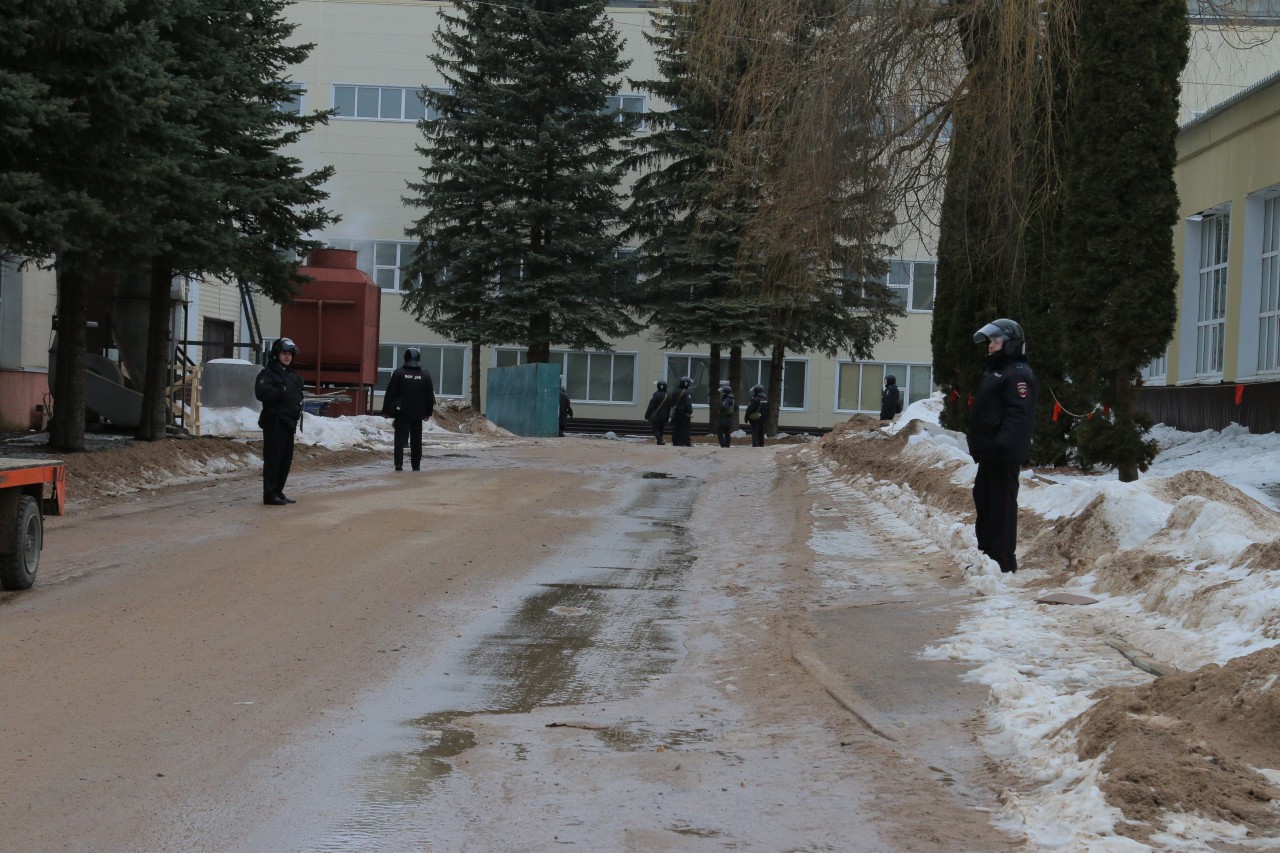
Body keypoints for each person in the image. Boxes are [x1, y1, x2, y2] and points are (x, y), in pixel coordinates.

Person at [968, 318, 1037, 574]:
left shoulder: (1017, 374)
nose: (991, 346)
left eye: (996, 341)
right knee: (985, 501)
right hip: (989, 455)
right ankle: (988, 555)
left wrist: (1000, 446)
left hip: (1002, 455)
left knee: (1002, 505)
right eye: (990, 341)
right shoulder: (999, 371)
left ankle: (1003, 561)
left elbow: (1017, 415)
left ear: (1010, 343)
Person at [255, 337, 305, 506]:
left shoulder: (291, 374)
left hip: (288, 423)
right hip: (274, 423)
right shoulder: (268, 374)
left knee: (285, 460)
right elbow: (262, 393)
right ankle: (269, 494)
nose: (287, 357)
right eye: (284, 353)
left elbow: (296, 393)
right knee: (273, 460)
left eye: (290, 354)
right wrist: (280, 391)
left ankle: (278, 491)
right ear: (276, 354)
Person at [382, 346, 436, 471]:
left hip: (401, 412)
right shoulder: (425, 375)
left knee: (400, 439)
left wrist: (386, 410)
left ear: (405, 358)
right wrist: (428, 412)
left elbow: (390, 393)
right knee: (416, 440)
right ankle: (416, 465)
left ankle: (398, 464)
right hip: (418, 413)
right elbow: (429, 396)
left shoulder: (399, 373)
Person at [644, 379, 673, 445]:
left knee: (655, 429)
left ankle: (660, 440)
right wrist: (667, 416)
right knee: (661, 428)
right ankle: (659, 441)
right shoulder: (668, 395)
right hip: (665, 414)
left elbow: (651, 406)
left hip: (656, 415)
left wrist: (647, 414)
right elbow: (669, 407)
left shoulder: (656, 394)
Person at [670, 376, 694, 447]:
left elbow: (671, 402)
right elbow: (688, 404)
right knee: (685, 428)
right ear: (687, 384)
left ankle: (676, 442)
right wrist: (690, 411)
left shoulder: (674, 391)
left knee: (676, 428)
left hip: (676, 413)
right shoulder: (687, 392)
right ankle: (686, 442)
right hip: (684, 414)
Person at [716, 383, 735, 448]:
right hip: (729, 418)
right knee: (727, 432)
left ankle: (723, 445)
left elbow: (724, 407)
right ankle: (727, 445)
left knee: (720, 432)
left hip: (724, 419)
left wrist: (720, 405)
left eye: (722, 392)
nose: (721, 393)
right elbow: (736, 408)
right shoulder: (732, 399)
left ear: (725, 393)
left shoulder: (726, 399)